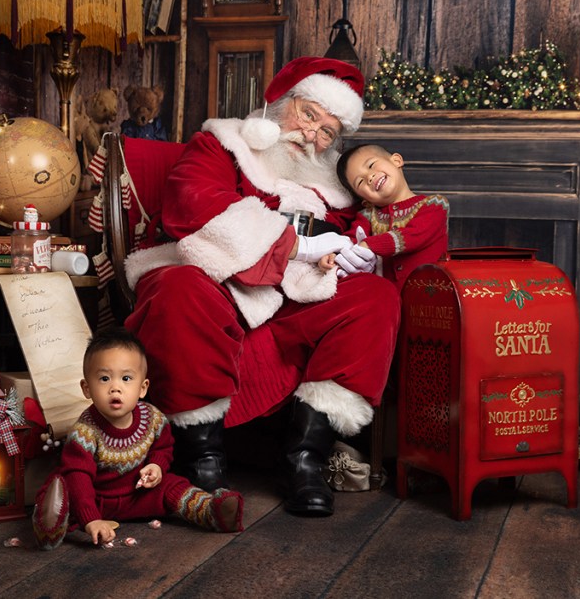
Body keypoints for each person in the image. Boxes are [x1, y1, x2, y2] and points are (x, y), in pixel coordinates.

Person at [123, 57, 401, 517]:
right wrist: (298, 246)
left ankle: (306, 459)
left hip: (291, 298)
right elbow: (193, 207)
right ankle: (201, 461)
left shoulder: (333, 184)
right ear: (279, 102)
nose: (312, 136)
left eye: (328, 132)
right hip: (211, 278)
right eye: (309, 115)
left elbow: (353, 237)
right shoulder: (222, 143)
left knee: (376, 297)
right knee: (179, 291)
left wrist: (358, 251)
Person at [33, 328, 244, 550]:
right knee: (64, 482)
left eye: (126, 378)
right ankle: (49, 523)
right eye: (104, 378)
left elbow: (163, 448)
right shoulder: (84, 432)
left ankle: (210, 511)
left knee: (173, 485)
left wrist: (156, 466)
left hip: (138, 494)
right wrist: (91, 519)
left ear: (142, 388)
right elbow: (80, 475)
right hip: (95, 498)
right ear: (87, 388)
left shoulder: (153, 419)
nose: (116, 387)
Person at [321, 143, 449, 290]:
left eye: (371, 165)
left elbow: (412, 236)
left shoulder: (435, 205)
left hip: (430, 299)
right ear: (365, 200)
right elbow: (351, 241)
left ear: (396, 161)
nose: (370, 176)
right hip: (386, 302)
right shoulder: (367, 216)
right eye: (361, 181)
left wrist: (369, 245)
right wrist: (335, 256)